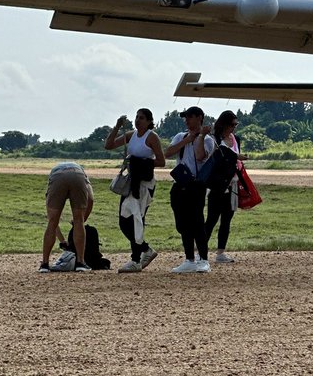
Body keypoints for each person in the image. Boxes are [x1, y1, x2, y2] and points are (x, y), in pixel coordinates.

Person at [104, 108, 165, 273]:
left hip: (144, 184)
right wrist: (117, 126)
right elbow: (108, 145)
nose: (138, 120)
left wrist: (140, 162)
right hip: (131, 183)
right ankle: (145, 250)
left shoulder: (152, 137)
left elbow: (161, 161)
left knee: (137, 219)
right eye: (137, 117)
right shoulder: (131, 135)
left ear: (149, 121)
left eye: (142, 118)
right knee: (124, 221)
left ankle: (136, 259)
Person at [164, 106, 215, 273]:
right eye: (185, 117)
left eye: (190, 117)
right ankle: (189, 259)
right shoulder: (180, 136)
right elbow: (168, 153)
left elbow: (200, 156)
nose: (186, 120)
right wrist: (186, 140)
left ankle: (203, 259)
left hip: (196, 185)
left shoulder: (207, 139)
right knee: (183, 224)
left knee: (197, 223)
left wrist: (199, 136)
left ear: (200, 117)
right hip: (179, 184)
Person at [40, 161, 94, 272]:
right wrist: (81, 220)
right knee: (79, 220)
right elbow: (91, 199)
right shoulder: (82, 173)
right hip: (77, 176)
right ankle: (80, 263)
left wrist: (63, 241)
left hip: (57, 176)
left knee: (52, 222)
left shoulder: (54, 172)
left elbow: (51, 220)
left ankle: (45, 265)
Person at [205, 109, 242, 264]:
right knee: (212, 219)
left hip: (232, 183)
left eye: (235, 124)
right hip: (217, 184)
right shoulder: (214, 139)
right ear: (224, 124)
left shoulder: (236, 139)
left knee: (227, 219)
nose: (233, 127)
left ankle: (221, 252)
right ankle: (202, 250)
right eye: (232, 124)